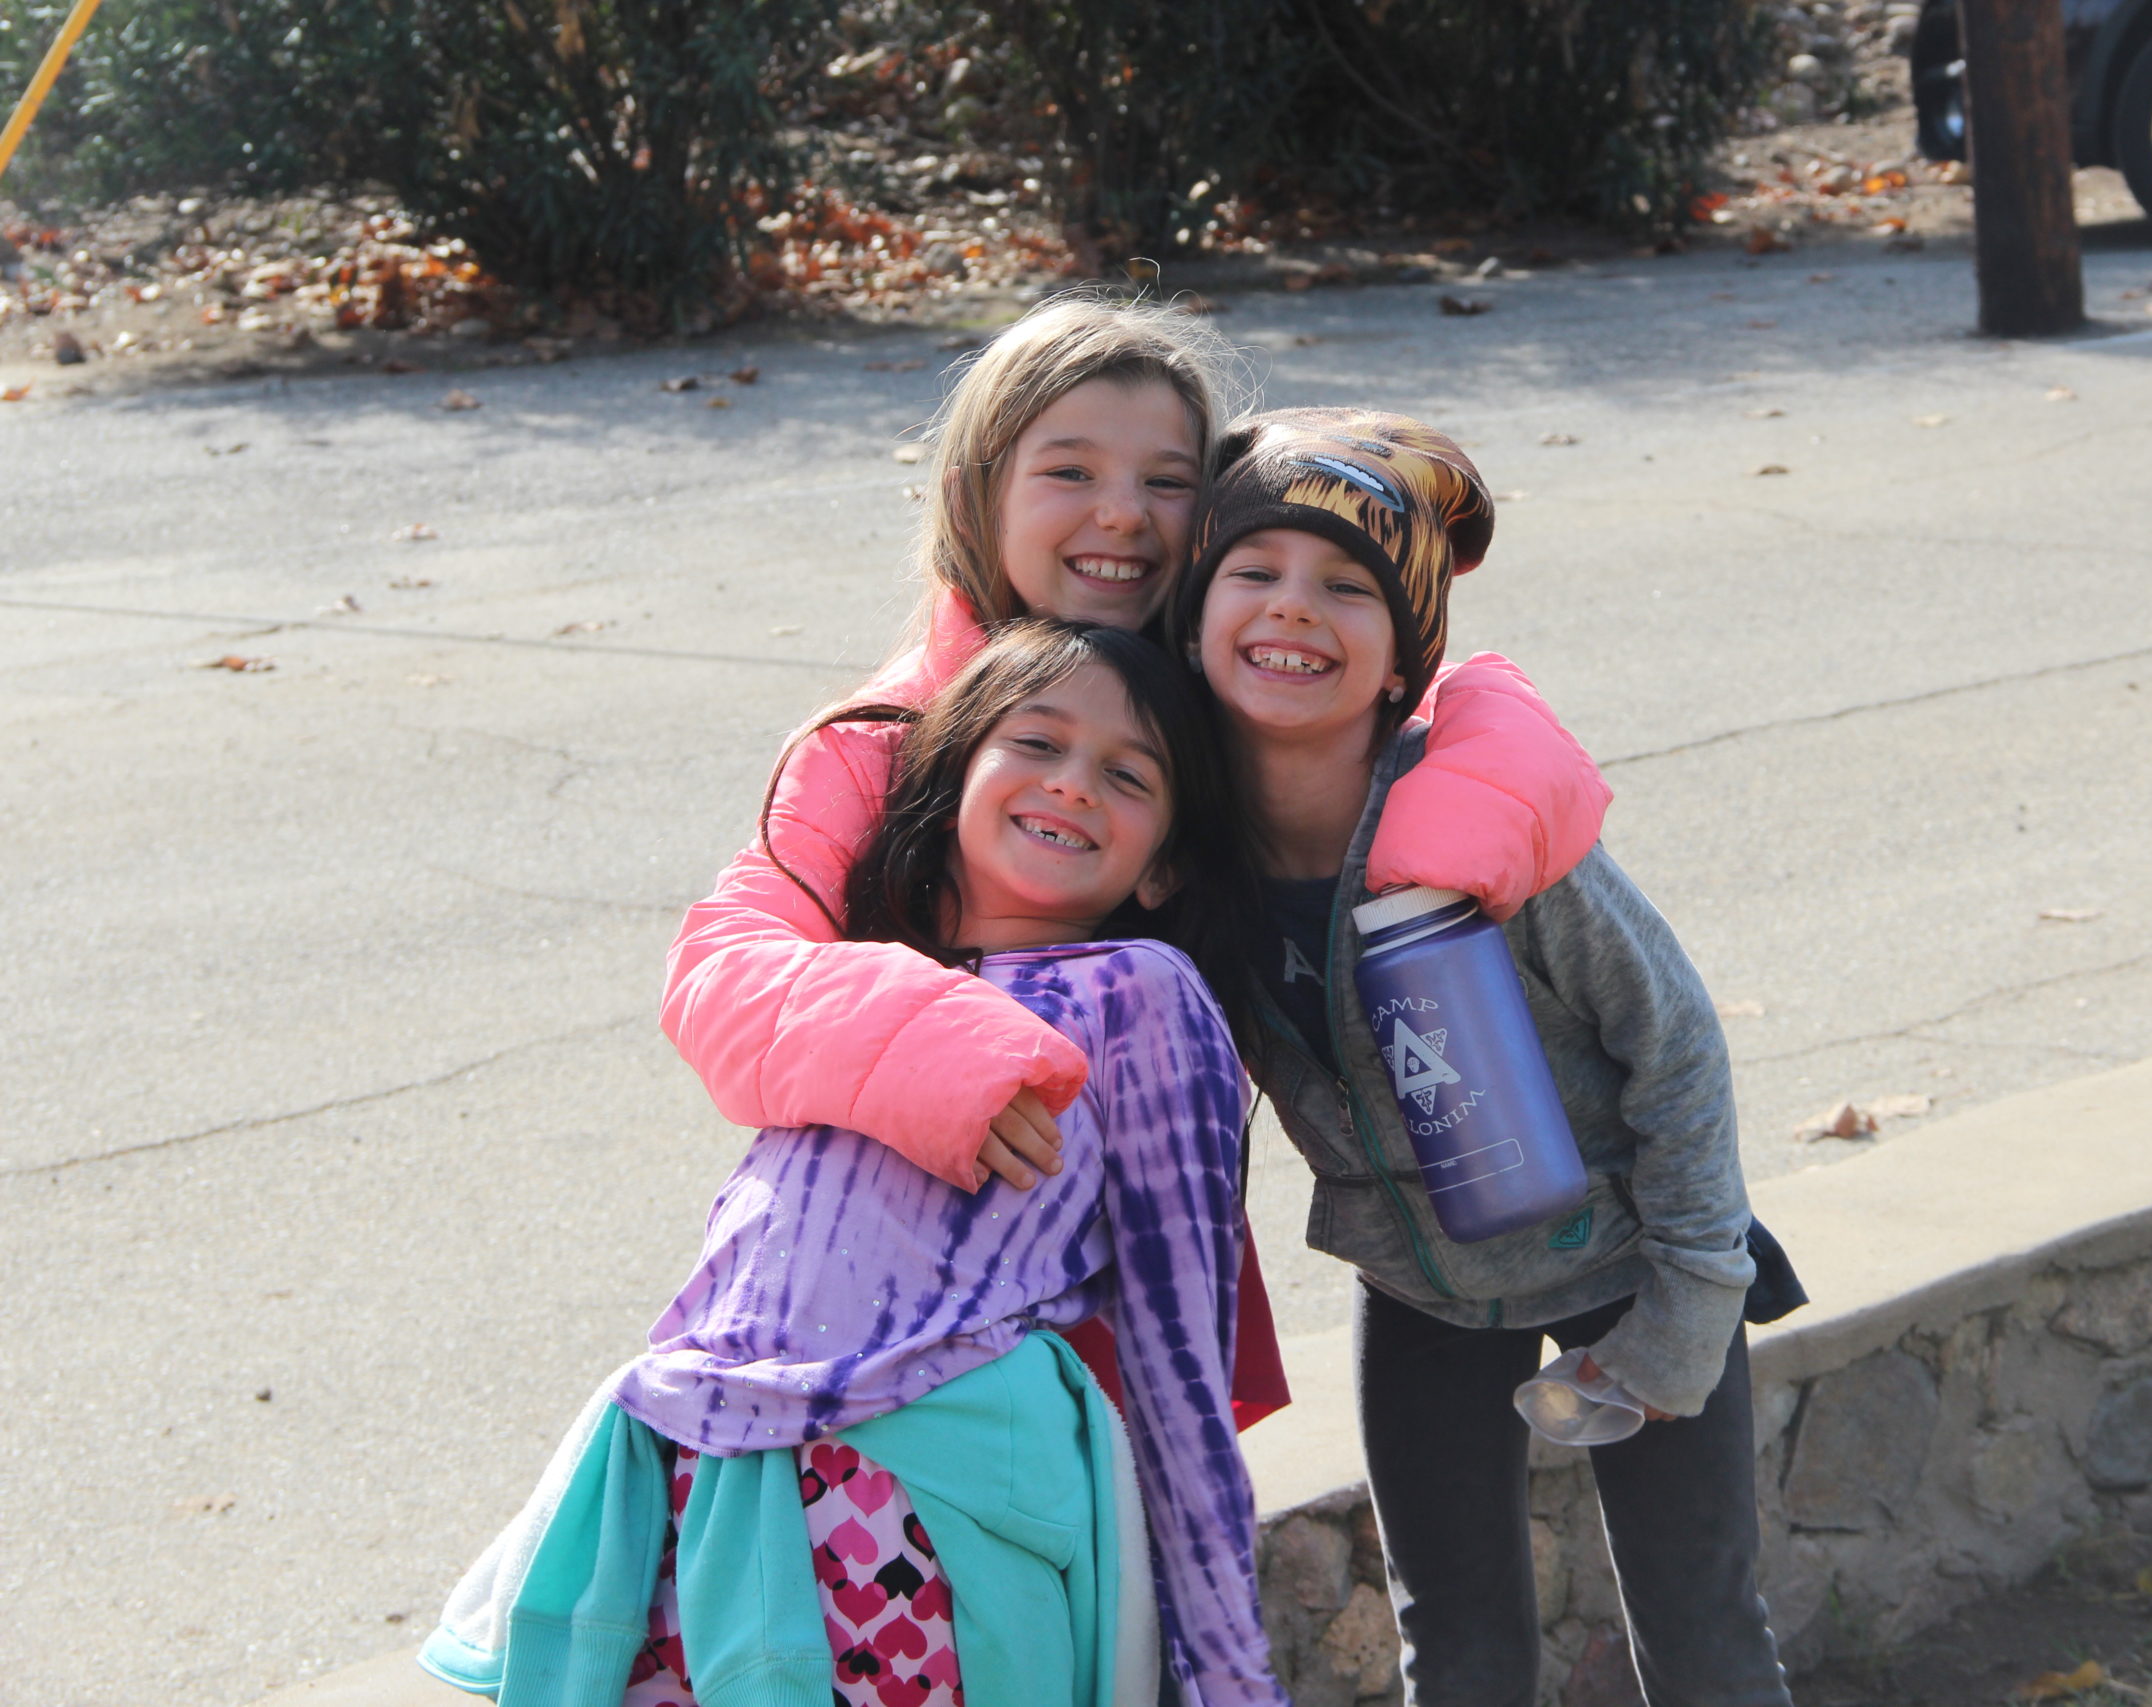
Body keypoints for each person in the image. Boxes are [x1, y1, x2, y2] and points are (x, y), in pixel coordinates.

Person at [422, 621, 1289, 1707]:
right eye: (1037, 742)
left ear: (1163, 865)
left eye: (1128, 774)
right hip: (706, 1494)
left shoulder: (1140, 991)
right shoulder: (850, 986)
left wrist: (1230, 1683)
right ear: (955, 770)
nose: (1074, 785)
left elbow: (1180, 1363)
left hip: (913, 1520)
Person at [661, 295, 1613, 1242]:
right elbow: (720, 972)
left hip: (1156, 1267)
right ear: (973, 493)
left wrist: (1470, 803)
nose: (1121, 515)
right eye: (1070, 470)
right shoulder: (875, 745)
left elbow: (1439, 701)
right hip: (920, 1275)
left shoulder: (1221, 693)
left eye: (1167, 482)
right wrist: (929, 1042)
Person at [1164, 409, 1805, 1707]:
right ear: (1193, 614)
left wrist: (1690, 1302)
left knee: (1703, 1641)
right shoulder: (1186, 852)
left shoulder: (1485, 824)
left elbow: (1671, 1041)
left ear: (1405, 654)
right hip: (1419, 1289)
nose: (1297, 609)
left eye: (1348, 587)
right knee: (1454, 1653)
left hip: (1634, 1257)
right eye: (1256, 571)